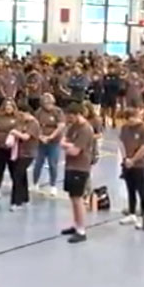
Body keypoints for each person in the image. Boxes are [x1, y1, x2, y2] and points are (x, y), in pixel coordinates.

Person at [60, 103, 96, 243]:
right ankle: (76, 224)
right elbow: (63, 141)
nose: (68, 119)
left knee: (78, 198)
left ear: (77, 114)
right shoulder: (73, 126)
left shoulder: (85, 129)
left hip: (80, 167)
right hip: (70, 165)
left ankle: (81, 230)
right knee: (72, 197)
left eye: (70, 116)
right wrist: (68, 145)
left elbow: (75, 151)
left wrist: (67, 146)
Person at [118, 106, 144, 230]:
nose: (132, 122)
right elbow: (121, 143)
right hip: (127, 164)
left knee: (142, 192)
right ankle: (132, 214)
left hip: (140, 165)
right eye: (129, 120)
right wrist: (125, 158)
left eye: (134, 119)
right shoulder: (124, 128)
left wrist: (133, 160)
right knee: (130, 190)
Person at [32, 93, 65, 198]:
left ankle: (53, 186)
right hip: (41, 142)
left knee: (52, 164)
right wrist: (40, 136)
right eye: (45, 103)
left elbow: (61, 126)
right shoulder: (38, 112)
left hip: (54, 142)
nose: (47, 105)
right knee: (38, 163)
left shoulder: (58, 112)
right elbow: (35, 126)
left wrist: (51, 136)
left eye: (49, 102)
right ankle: (35, 183)